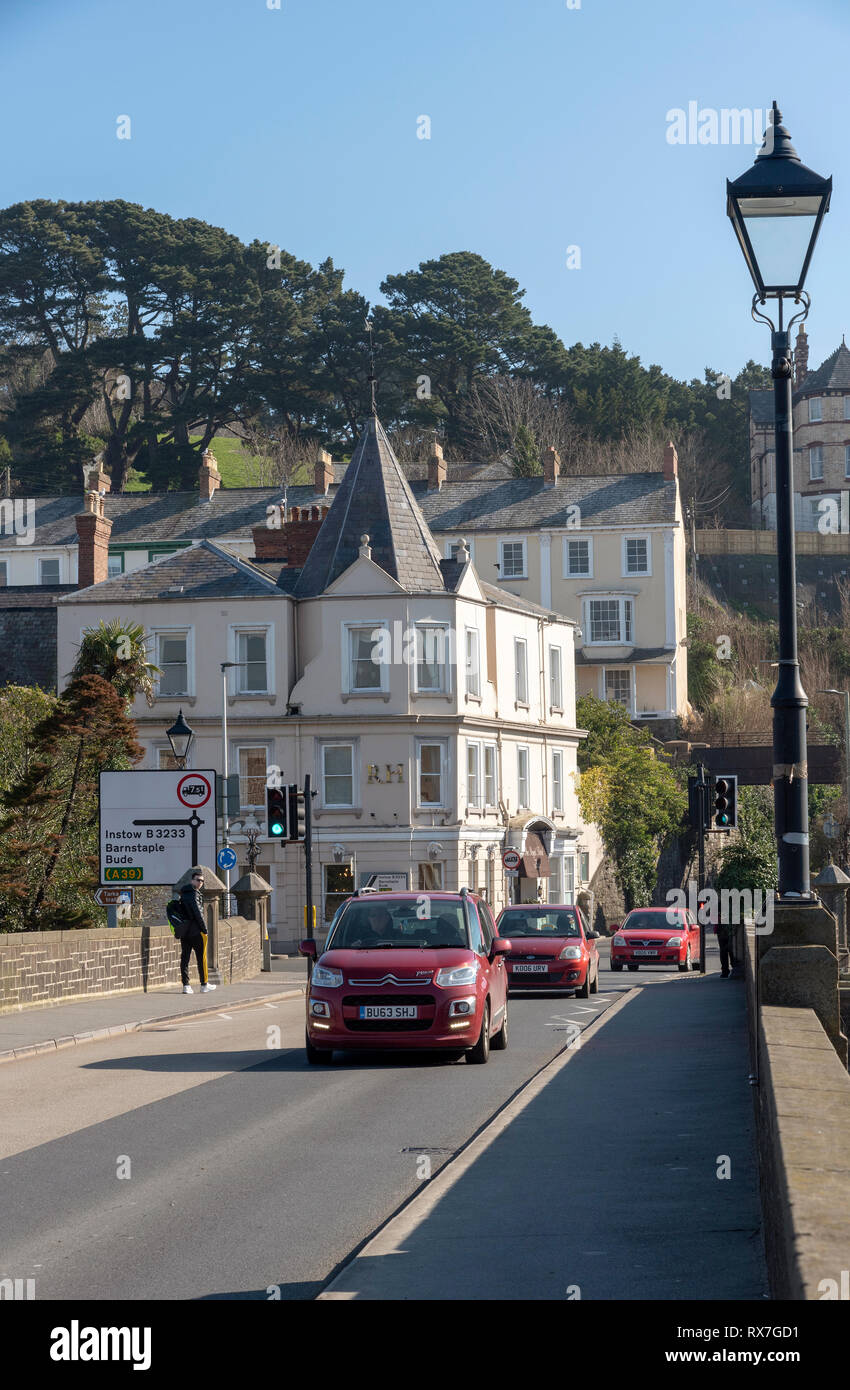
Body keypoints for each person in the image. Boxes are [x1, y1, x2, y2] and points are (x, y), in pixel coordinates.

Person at [179, 869, 216, 995]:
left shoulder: (183, 894)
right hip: (196, 932)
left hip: (185, 932)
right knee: (202, 958)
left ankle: (186, 985)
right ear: (192, 881)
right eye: (198, 880)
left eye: (202, 881)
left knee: (185, 958)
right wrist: (205, 930)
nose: (200, 882)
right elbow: (198, 914)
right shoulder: (194, 894)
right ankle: (204, 984)